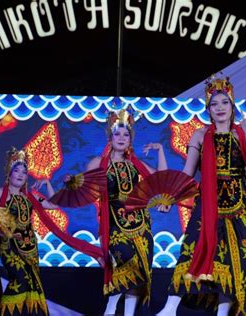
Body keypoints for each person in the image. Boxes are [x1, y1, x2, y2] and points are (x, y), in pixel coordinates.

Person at [157, 75, 246, 316]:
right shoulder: (199, 135)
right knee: (192, 249)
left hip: (238, 207)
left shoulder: (240, 134)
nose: (220, 108)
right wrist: (170, 197)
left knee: (231, 264)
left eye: (225, 103)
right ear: (208, 109)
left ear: (232, 105)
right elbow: (188, 172)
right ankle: (169, 308)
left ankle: (224, 312)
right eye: (214, 104)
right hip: (207, 204)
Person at [62, 108, 168, 316]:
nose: (121, 137)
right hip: (114, 226)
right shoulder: (99, 164)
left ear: (130, 139)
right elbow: (83, 189)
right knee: (125, 265)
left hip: (141, 226)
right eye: (117, 133)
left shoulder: (135, 165)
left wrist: (160, 150)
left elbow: (161, 180)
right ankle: (111, 307)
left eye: (126, 134)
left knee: (138, 273)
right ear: (110, 137)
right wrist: (71, 183)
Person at [0, 147, 60, 316]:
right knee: (20, 280)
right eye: (16, 170)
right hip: (9, 245)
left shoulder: (30, 196)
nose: (20, 174)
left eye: (24, 172)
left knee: (31, 284)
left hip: (30, 247)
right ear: (8, 173)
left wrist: (47, 183)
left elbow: (54, 205)